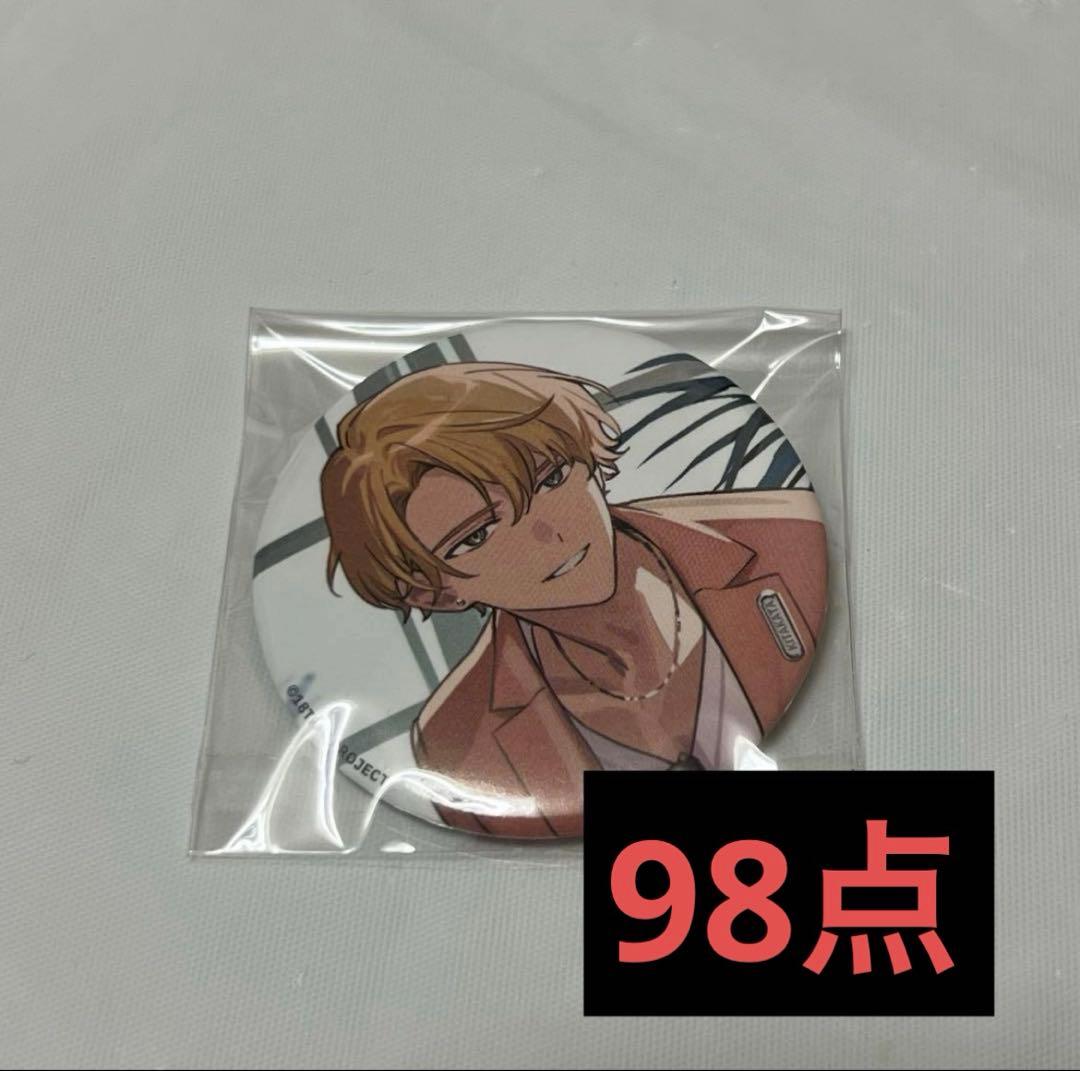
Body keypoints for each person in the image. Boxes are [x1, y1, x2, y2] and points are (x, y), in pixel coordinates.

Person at [320, 361, 827, 837]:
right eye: (477, 535)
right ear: (436, 592)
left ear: (589, 455)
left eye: (552, 478)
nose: (547, 533)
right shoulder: (460, 743)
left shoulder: (781, 538)